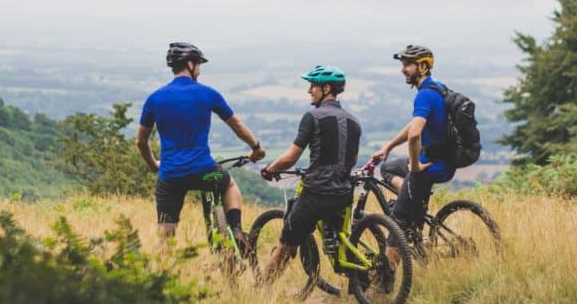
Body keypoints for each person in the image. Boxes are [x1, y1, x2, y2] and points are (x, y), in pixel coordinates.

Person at [136, 42, 266, 253]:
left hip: (171, 175)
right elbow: (236, 125)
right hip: (203, 171)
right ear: (189, 64)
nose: (200, 70)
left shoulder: (155, 99)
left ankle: (163, 276)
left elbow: (140, 141)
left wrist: (153, 165)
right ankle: (236, 229)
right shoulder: (208, 94)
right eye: (198, 65)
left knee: (165, 234)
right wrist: (256, 148)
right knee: (230, 185)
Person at [260, 65, 361, 282]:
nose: (309, 91)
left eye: (313, 86)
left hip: (316, 193)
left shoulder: (312, 117)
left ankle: (260, 289)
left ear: (326, 88)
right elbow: (351, 161)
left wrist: (270, 169)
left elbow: (291, 157)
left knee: (286, 242)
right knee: (335, 234)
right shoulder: (354, 122)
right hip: (344, 193)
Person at [371, 45, 455, 264]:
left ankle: (384, 279)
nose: (403, 69)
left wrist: (415, 165)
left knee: (397, 220)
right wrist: (389, 145)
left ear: (423, 66)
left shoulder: (424, 95)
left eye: (407, 64)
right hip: (444, 161)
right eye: (402, 64)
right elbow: (415, 125)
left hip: (429, 167)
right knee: (388, 168)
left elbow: (415, 135)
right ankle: (415, 207)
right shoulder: (438, 88)